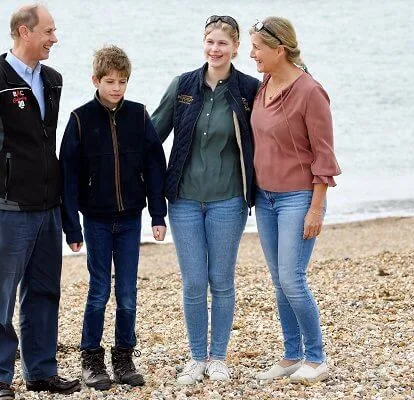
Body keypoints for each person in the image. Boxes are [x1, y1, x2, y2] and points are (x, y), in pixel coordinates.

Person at [0, 4, 80, 399]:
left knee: (43, 291)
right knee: (0, 295)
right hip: (7, 209)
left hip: (47, 206)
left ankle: (41, 371)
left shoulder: (52, 80)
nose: (54, 39)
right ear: (24, 33)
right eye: (48, 31)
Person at [151, 15, 260, 384]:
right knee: (194, 282)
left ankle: (218, 358)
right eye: (210, 42)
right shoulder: (183, 85)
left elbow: (268, 137)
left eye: (222, 44)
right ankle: (196, 357)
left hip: (228, 200)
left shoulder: (249, 89)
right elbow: (151, 136)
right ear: (203, 43)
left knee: (222, 280)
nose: (215, 49)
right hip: (183, 200)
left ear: (235, 48)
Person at [59, 45, 167, 391]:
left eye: (122, 82)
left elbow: (154, 163)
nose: (117, 88)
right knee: (98, 289)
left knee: (128, 291)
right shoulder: (80, 119)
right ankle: (91, 358)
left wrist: (158, 213)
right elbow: (68, 176)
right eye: (110, 81)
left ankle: (123, 357)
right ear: (96, 80)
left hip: (131, 217)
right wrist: (71, 226)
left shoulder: (138, 115)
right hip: (96, 220)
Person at [249, 17, 341, 384]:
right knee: (278, 279)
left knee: (292, 277)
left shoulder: (310, 92)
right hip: (265, 198)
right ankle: (291, 355)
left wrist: (316, 207)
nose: (252, 53)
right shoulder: (265, 84)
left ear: (279, 49)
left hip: (298, 198)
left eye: (257, 47)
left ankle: (316, 357)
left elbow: (324, 156)